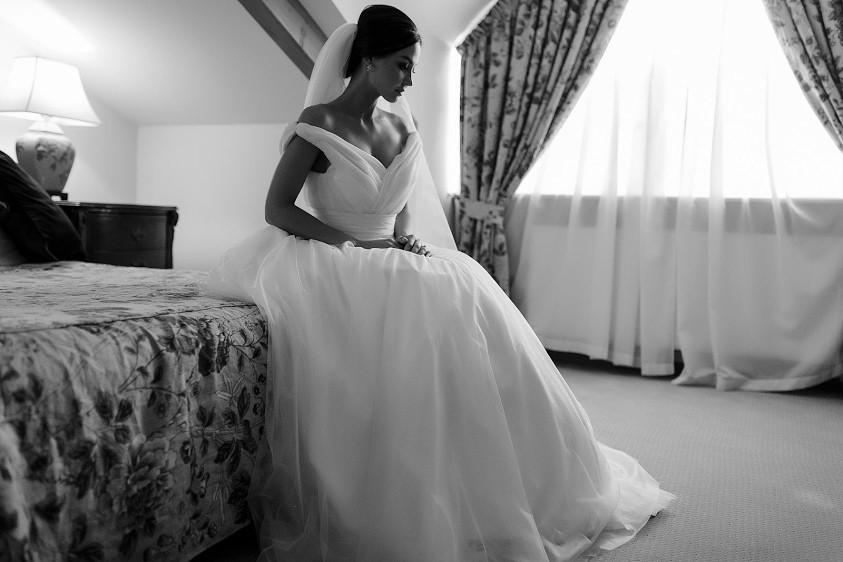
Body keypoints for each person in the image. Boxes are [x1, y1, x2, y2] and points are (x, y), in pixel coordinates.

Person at [209, 5, 674, 561]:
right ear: (369, 60)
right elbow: (278, 208)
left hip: (392, 250)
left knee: (462, 297)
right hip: (336, 253)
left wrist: (402, 237)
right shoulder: (318, 123)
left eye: (412, 66)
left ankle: (503, 481)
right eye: (402, 65)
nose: (409, 79)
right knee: (414, 317)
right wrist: (353, 246)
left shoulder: (399, 126)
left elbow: (399, 203)